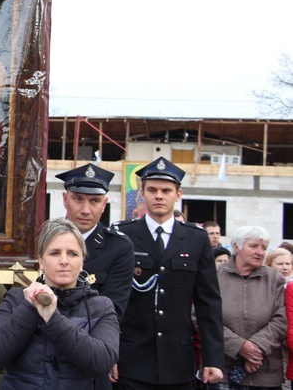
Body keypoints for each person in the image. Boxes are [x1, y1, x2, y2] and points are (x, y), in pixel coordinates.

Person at [113, 156, 224, 389]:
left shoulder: (196, 238)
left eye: (166, 190)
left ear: (178, 194)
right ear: (141, 193)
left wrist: (213, 359)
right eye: (152, 189)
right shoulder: (124, 236)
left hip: (179, 361)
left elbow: (208, 304)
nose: (159, 196)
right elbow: (112, 303)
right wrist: (109, 353)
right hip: (131, 359)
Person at [0, 218, 120, 388]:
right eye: (54, 253)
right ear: (40, 260)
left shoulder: (101, 306)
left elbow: (102, 363)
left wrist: (53, 319)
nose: (64, 261)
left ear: (82, 260)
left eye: (72, 253)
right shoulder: (16, 299)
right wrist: (31, 307)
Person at [55, 163, 134, 320]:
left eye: (94, 201)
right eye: (78, 199)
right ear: (65, 199)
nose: (85, 210)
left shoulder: (118, 247)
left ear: (104, 204)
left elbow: (112, 312)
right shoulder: (44, 239)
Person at [215, 226, 286, 389]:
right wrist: (240, 347)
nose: (260, 252)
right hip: (223, 370)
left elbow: (281, 320)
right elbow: (202, 317)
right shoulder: (214, 276)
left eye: (264, 248)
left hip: (265, 372)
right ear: (237, 247)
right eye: (254, 246)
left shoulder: (274, 278)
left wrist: (257, 348)